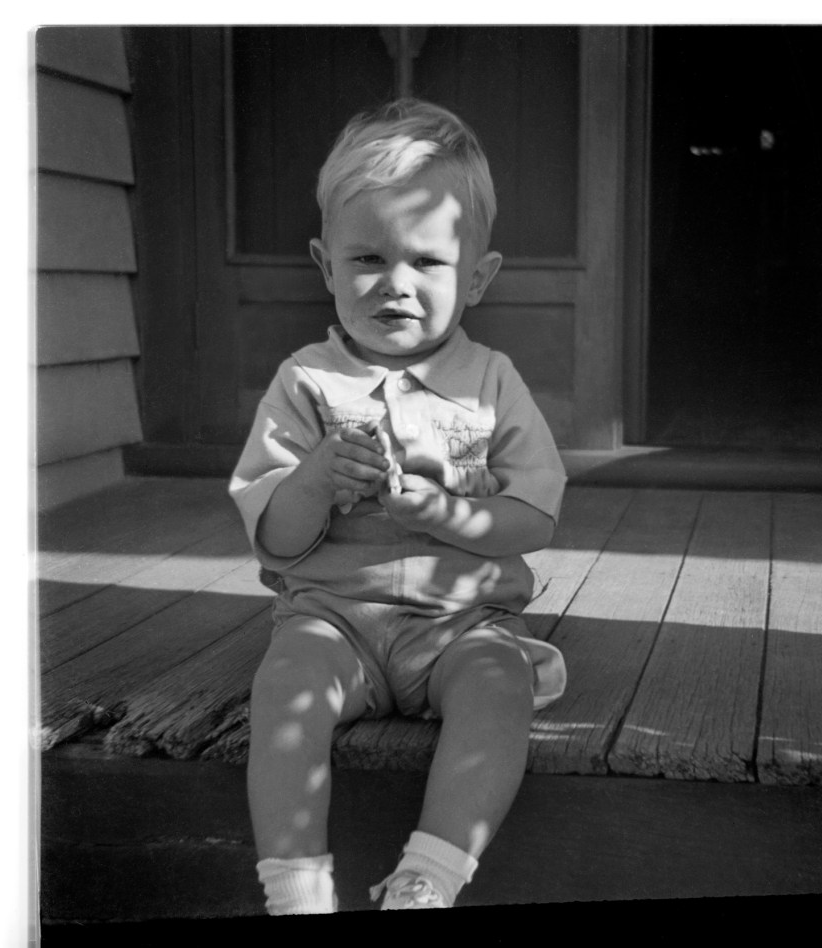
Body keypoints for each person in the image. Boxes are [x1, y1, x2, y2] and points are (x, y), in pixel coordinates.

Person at [229, 98, 567, 913]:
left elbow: (536, 514)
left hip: (460, 626)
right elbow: (274, 535)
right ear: (325, 265)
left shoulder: (492, 381)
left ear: (477, 277)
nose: (395, 284)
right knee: (283, 691)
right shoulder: (305, 382)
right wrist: (312, 479)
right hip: (334, 621)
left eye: (426, 262)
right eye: (367, 259)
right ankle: (296, 886)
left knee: (499, 689)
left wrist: (451, 518)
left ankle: (430, 876)